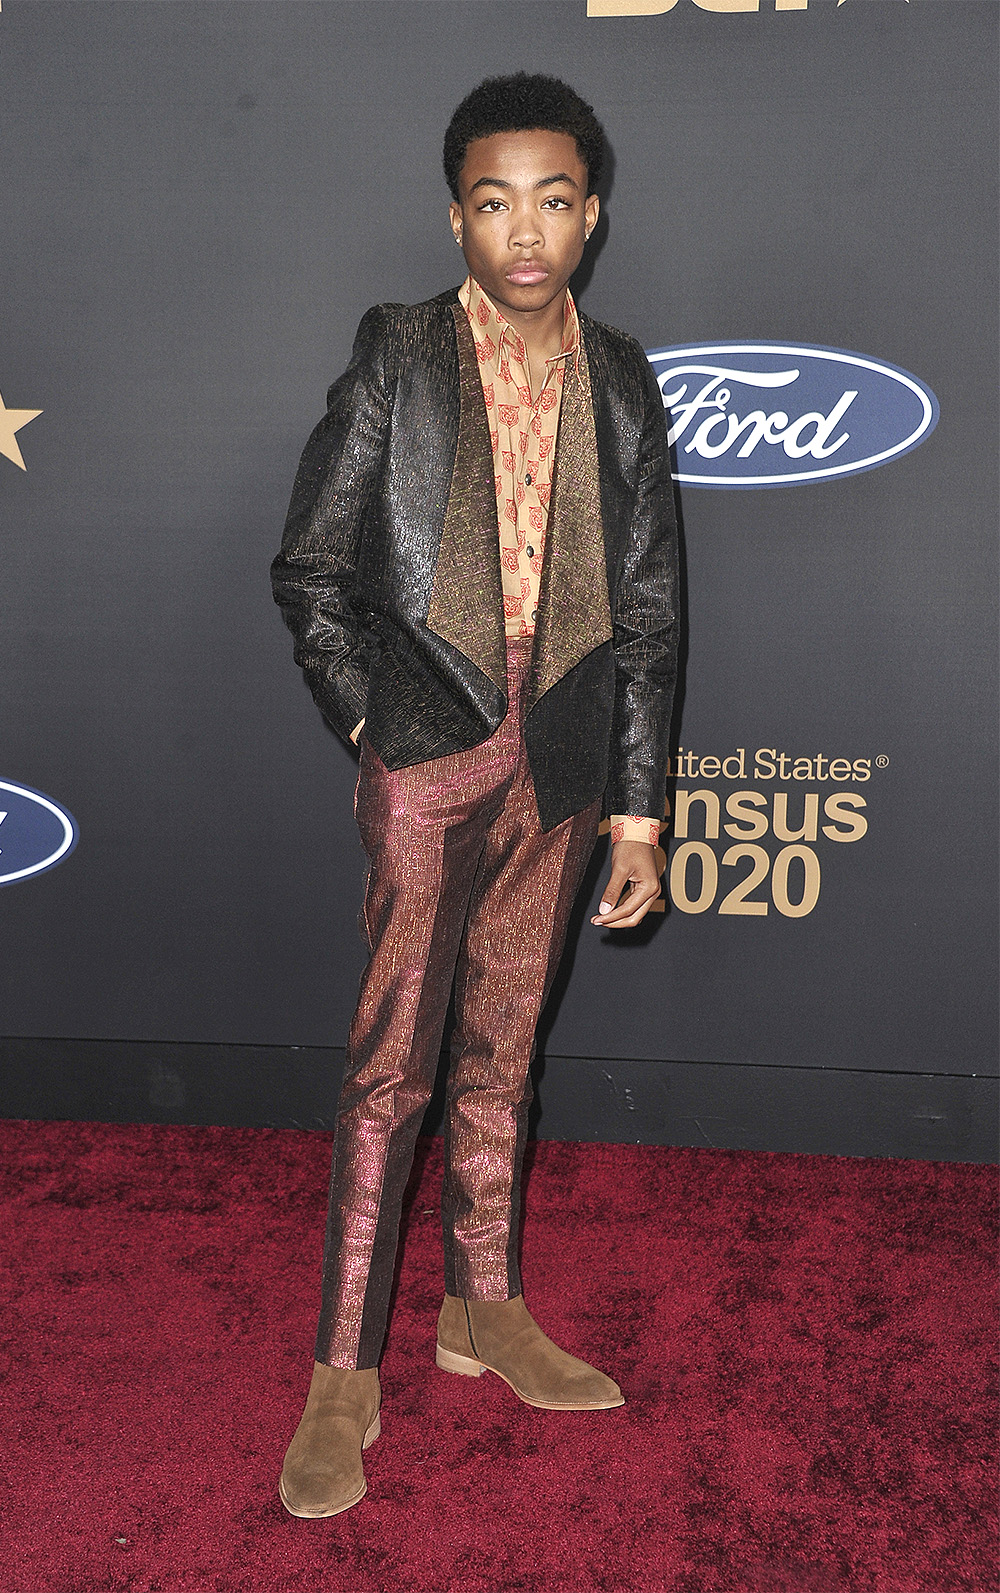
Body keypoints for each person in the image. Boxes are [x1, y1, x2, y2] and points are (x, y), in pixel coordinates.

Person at [270, 70, 679, 1519]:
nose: (525, 229)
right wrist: (378, 719)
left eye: (554, 200)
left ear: (592, 217)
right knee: (394, 1068)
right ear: (457, 214)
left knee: (506, 1052)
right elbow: (312, 567)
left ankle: (480, 1308)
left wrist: (639, 808)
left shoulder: (620, 375)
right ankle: (340, 1372)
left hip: (563, 755)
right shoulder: (398, 352)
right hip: (430, 752)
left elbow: (648, 605)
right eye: (494, 200)